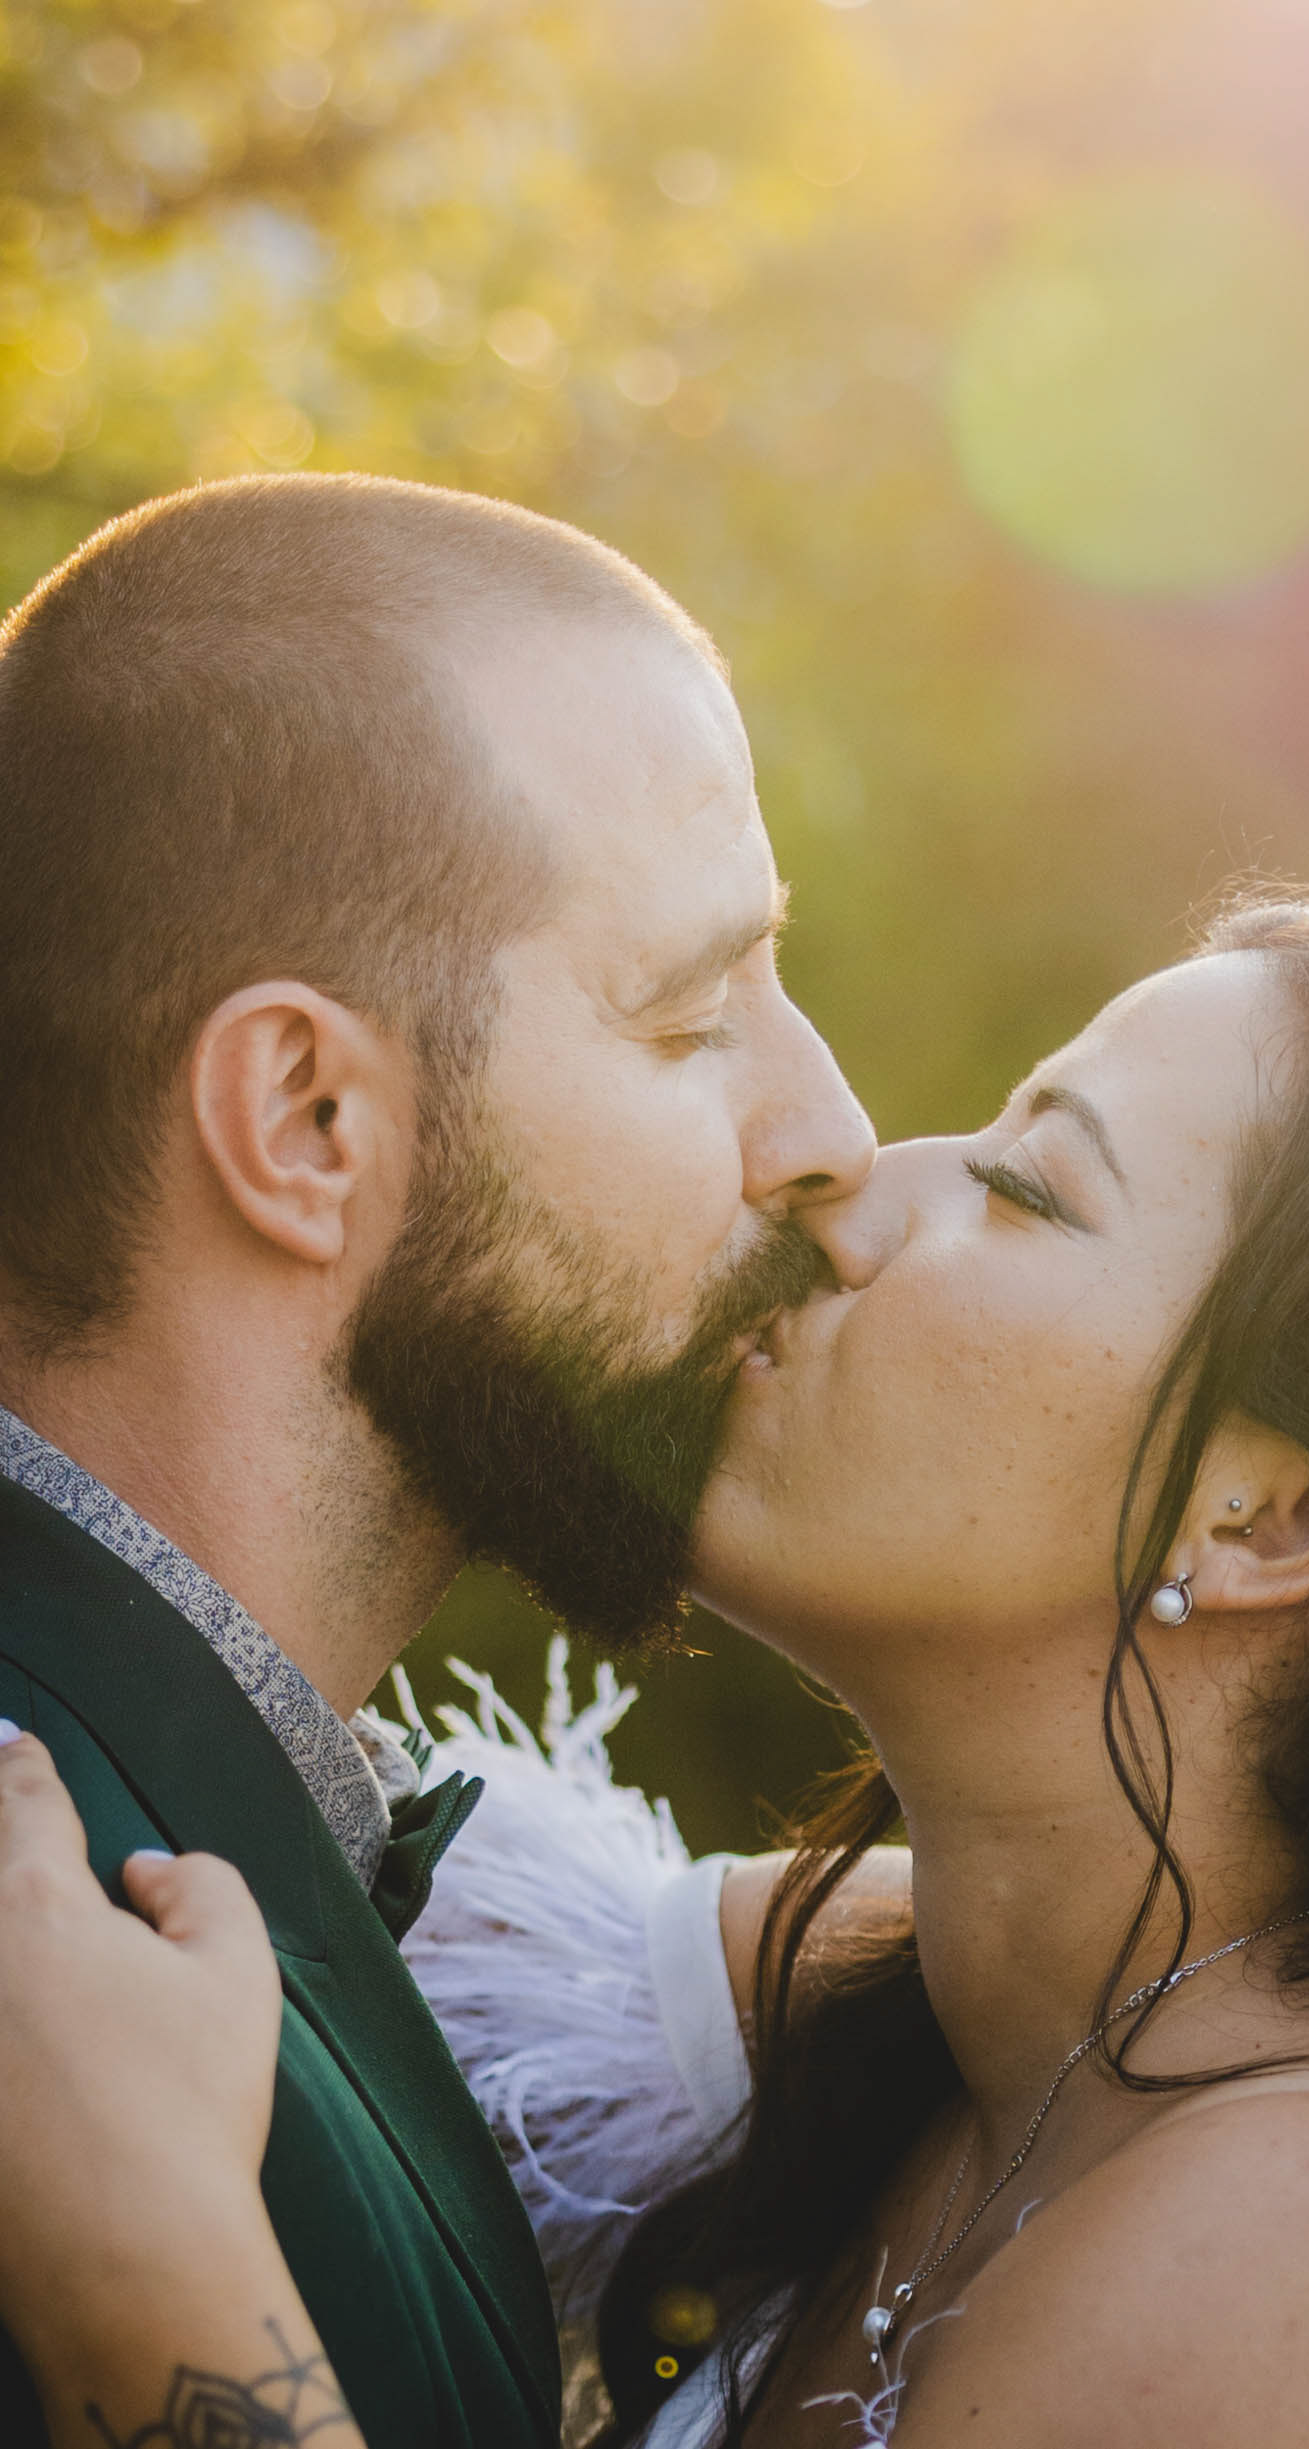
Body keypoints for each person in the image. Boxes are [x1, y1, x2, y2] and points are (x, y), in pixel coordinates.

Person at [7, 896, 1309, 2448]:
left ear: (1273, 1514)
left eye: (1025, 1186)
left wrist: (146, 2264)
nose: (845, 1187)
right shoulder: (946, 1997)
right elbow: (231, 1752)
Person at [0, 472, 875, 2449]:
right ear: (307, 1118)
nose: (827, 1128)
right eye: (687, 1018)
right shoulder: (44, 1918)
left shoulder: (204, 1819)